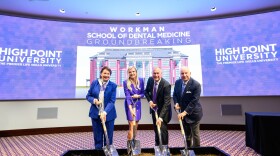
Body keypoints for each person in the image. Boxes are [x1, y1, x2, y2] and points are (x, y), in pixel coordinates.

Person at [86, 66, 117, 149]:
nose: (106, 75)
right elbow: (88, 96)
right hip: (95, 114)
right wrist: (94, 100)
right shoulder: (94, 83)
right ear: (101, 74)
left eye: (108, 74)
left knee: (108, 139)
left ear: (110, 75)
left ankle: (108, 152)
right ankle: (98, 152)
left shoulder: (113, 86)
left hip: (109, 115)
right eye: (104, 73)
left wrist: (104, 112)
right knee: (98, 139)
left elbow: (112, 101)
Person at [173, 66, 203, 147]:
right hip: (182, 114)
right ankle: (188, 150)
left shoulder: (196, 85)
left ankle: (197, 152)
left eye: (186, 73)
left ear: (190, 73)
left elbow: (194, 101)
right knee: (187, 135)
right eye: (182, 73)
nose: (184, 75)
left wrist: (184, 113)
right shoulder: (178, 82)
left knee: (195, 135)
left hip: (193, 114)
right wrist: (176, 103)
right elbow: (175, 94)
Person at [144, 67, 172, 147]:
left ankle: (165, 148)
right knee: (156, 129)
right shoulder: (150, 80)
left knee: (162, 130)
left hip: (164, 111)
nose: (156, 75)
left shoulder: (166, 85)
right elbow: (146, 92)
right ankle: (157, 147)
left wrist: (160, 118)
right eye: (154, 73)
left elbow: (167, 103)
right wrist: (150, 101)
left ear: (161, 74)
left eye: (158, 73)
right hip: (154, 109)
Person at [123, 66, 145, 143]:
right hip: (130, 104)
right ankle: (130, 143)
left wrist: (138, 96)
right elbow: (127, 96)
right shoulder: (125, 82)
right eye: (130, 72)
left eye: (133, 71)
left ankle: (134, 140)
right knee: (131, 125)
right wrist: (131, 109)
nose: (132, 73)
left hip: (138, 104)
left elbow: (143, 93)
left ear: (136, 72)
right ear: (128, 73)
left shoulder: (141, 80)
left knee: (136, 124)